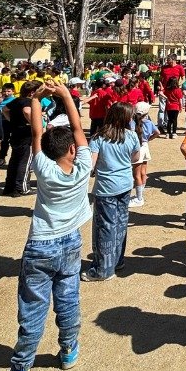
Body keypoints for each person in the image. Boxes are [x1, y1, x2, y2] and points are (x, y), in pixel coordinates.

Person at [0, 82, 92, 371]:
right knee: (69, 298)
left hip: (42, 244)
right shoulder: (84, 167)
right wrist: (65, 97)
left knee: (33, 307)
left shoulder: (44, 169)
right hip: (72, 241)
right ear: (73, 150)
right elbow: (76, 125)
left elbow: (36, 133)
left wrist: (35, 99)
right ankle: (68, 349)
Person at [82, 102, 140, 282]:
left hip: (106, 187)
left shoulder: (99, 138)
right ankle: (117, 260)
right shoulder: (131, 136)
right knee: (121, 222)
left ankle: (103, 269)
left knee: (105, 227)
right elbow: (136, 158)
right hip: (124, 184)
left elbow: (91, 164)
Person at [3, 80, 42, 197]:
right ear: (32, 92)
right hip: (27, 135)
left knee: (14, 160)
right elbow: (26, 111)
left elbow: (4, 109)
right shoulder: (28, 102)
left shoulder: (16, 100)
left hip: (16, 133)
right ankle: (23, 187)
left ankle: (10, 186)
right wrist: (35, 124)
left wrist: (13, 120)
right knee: (25, 161)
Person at [128, 102, 160, 208]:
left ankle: (139, 198)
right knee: (143, 173)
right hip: (145, 146)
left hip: (137, 148)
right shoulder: (149, 122)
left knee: (136, 175)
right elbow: (157, 132)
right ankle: (140, 194)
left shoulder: (132, 123)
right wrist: (149, 139)